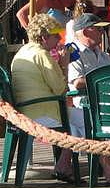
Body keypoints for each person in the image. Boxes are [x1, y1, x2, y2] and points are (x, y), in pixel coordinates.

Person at [65, 14, 110, 185]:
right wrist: (104, 81)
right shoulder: (73, 52)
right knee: (98, 123)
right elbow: (77, 83)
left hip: (109, 105)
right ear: (85, 31)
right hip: (85, 107)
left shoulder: (103, 55)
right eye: (98, 29)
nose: (102, 32)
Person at [10, 14, 74, 179]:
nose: (59, 38)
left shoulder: (22, 52)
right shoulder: (42, 55)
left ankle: (63, 164)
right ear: (44, 37)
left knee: (79, 120)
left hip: (24, 111)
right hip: (43, 113)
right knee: (87, 121)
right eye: (55, 35)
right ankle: (65, 166)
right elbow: (60, 89)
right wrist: (64, 64)